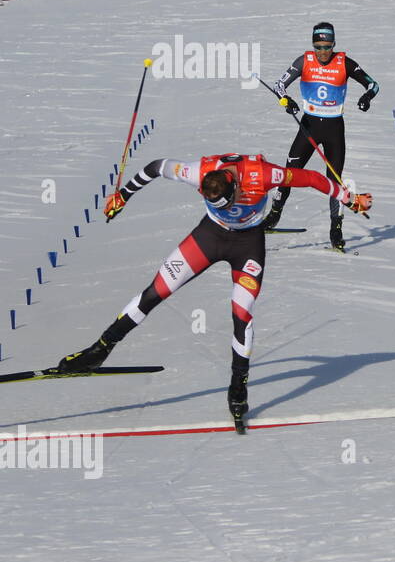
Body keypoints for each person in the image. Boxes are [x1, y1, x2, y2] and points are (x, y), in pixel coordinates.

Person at [57, 154, 373, 431]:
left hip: (247, 244)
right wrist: (123, 196)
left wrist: (350, 199)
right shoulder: (199, 171)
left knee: (241, 314)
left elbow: (314, 178)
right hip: (208, 237)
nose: (231, 205)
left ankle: (238, 387)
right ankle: (99, 350)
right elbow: (156, 167)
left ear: (233, 186)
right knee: (155, 292)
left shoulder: (263, 174)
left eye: (231, 200)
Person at [264, 22, 379, 251]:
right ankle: (275, 214)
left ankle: (335, 229)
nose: (322, 52)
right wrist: (286, 101)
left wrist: (367, 97)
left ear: (333, 44)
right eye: (318, 47)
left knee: (334, 181)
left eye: (326, 46)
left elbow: (374, 85)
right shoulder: (304, 61)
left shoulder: (344, 63)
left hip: (334, 129)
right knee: (289, 172)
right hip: (309, 126)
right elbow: (279, 85)